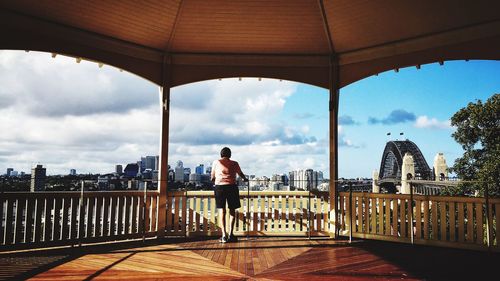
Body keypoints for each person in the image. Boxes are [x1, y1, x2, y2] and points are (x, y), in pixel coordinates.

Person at [211, 147, 248, 243]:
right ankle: (231, 234)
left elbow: (212, 177)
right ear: (230, 155)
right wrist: (244, 179)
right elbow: (241, 174)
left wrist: (216, 180)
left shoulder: (216, 162)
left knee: (222, 211)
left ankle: (224, 235)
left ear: (221, 154)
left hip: (219, 188)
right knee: (232, 211)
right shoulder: (234, 163)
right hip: (232, 187)